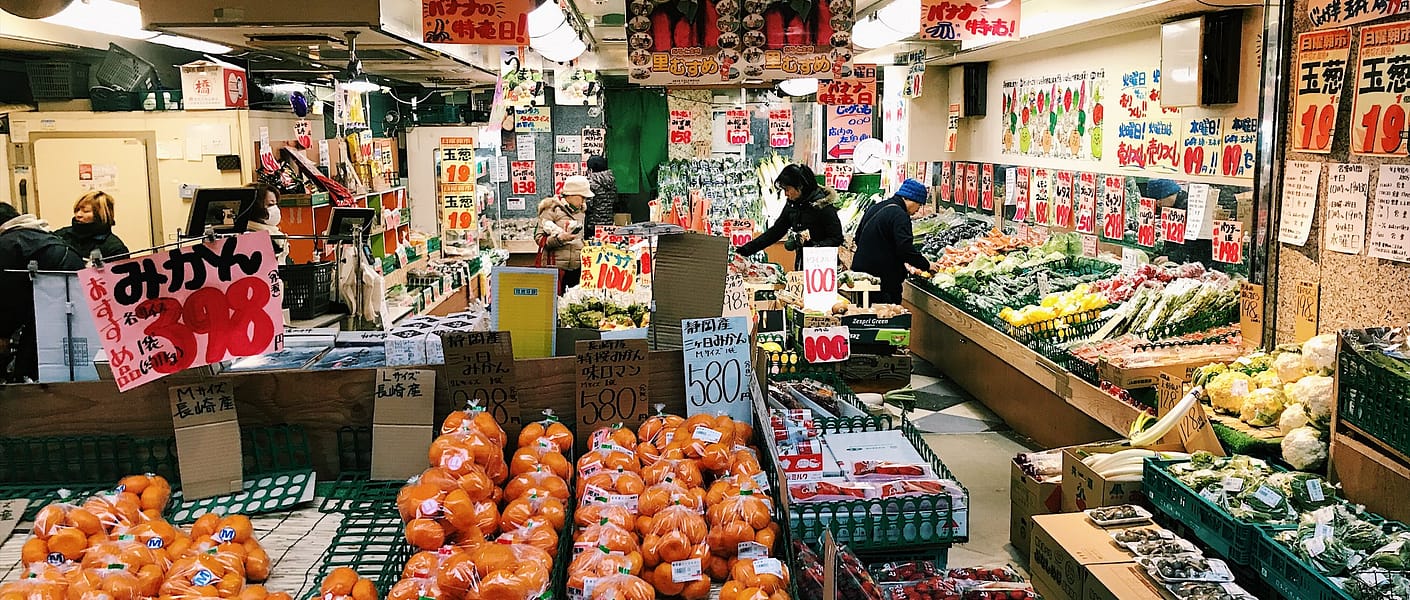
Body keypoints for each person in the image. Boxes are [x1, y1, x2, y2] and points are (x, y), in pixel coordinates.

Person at [0, 203, 85, 382]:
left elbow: (7, 297)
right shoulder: (42, 233)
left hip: (48, 301)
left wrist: (3, 333)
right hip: (74, 295)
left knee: (32, 362)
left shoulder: (6, 244)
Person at [735, 163, 843, 269]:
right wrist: (745, 250)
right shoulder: (793, 205)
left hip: (825, 266)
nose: (785, 194)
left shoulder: (823, 205)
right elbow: (775, 232)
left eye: (787, 189)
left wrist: (814, 246)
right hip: (802, 263)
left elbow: (837, 238)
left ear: (800, 187)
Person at [850, 178, 935, 304]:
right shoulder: (900, 215)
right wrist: (927, 265)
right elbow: (905, 249)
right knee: (886, 318)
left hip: (861, 275)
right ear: (910, 198)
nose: (918, 209)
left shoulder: (877, 206)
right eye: (919, 204)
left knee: (864, 315)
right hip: (883, 280)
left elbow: (858, 236)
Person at [537, 175, 590, 289]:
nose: (584, 201)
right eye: (582, 197)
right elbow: (539, 239)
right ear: (571, 195)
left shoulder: (582, 212)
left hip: (577, 268)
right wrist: (560, 239)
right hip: (556, 268)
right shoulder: (551, 209)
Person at [55, 191, 129, 262]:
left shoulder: (115, 248)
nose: (78, 215)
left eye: (86, 211)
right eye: (77, 210)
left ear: (100, 215)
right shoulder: (62, 235)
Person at [246, 182, 290, 265]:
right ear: (255, 207)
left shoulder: (276, 235)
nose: (275, 209)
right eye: (270, 204)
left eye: (275, 204)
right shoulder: (248, 237)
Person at [583, 155, 617, 239]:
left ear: (590, 170)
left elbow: (588, 205)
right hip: (608, 223)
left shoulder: (590, 183)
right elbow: (615, 201)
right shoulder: (612, 181)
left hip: (593, 224)